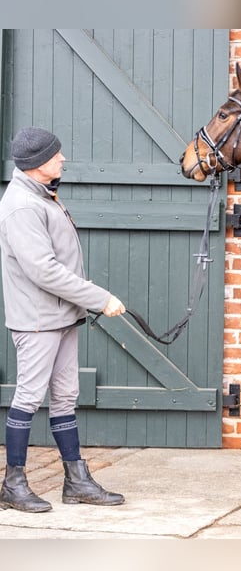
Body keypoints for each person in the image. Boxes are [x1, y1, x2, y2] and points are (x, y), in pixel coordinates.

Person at [0, 127, 126, 512]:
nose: (63, 159)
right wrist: (99, 298)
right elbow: (44, 271)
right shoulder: (23, 205)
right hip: (38, 320)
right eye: (56, 156)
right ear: (38, 164)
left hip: (60, 317)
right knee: (29, 396)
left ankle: (76, 481)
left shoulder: (41, 195)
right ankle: (13, 484)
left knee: (65, 397)